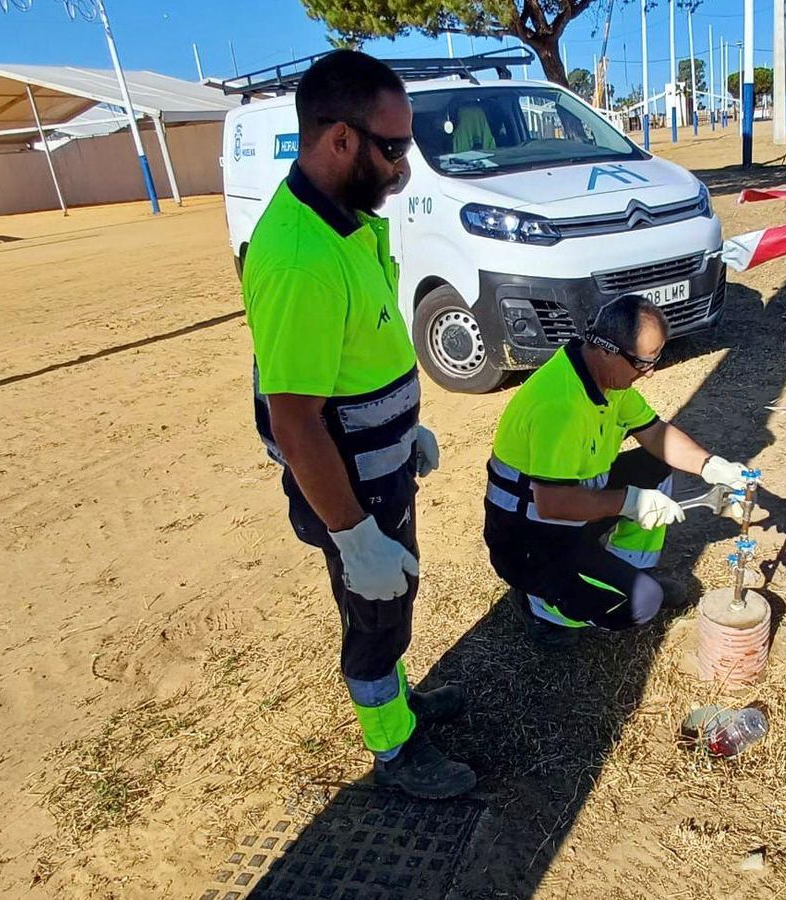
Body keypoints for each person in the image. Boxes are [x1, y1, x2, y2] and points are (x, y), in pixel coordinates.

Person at [240, 50, 474, 799]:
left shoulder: (345, 224)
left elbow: (356, 360)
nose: (405, 166)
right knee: (375, 620)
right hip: (350, 497)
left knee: (391, 603)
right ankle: (393, 749)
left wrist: (405, 438)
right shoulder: (302, 257)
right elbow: (296, 418)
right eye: (393, 147)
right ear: (339, 140)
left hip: (380, 475)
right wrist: (351, 534)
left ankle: (399, 707)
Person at [483, 294, 757, 649]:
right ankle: (541, 605)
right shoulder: (560, 407)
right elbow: (552, 503)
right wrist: (631, 502)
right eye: (642, 362)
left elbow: (656, 434)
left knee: (656, 467)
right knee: (642, 603)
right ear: (607, 349)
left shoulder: (607, 380)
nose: (650, 371)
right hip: (532, 537)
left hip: (571, 508)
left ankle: (628, 568)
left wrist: (711, 466)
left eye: (655, 359)